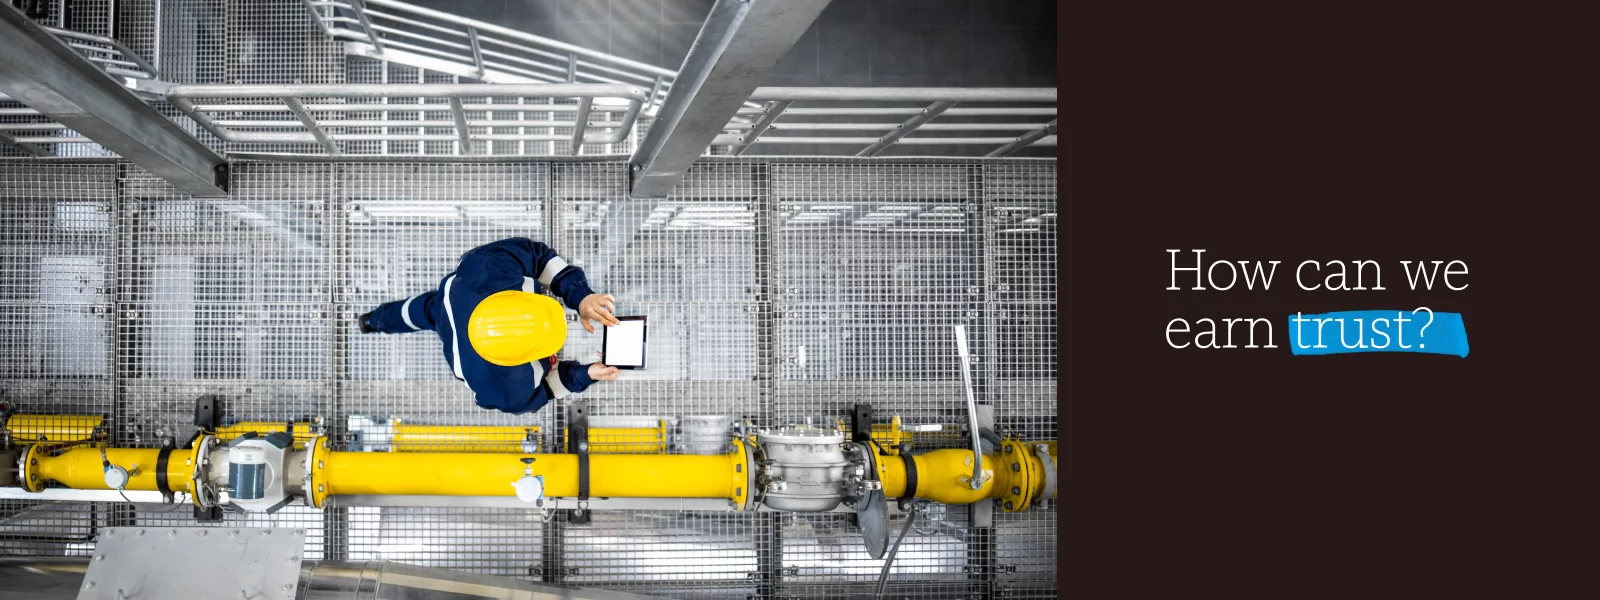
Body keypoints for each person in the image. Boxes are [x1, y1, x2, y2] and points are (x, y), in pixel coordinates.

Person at [356, 238, 622, 415]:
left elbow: (539, 257)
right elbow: (548, 390)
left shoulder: (486, 268)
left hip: (452, 300)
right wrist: (587, 374)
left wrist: (582, 296)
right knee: (422, 311)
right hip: (454, 324)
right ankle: (372, 321)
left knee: (417, 311)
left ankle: (372, 321)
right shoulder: (504, 389)